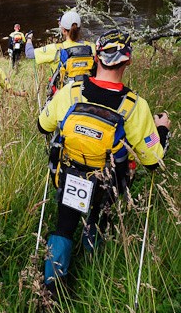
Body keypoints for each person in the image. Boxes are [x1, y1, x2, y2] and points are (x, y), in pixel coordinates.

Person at [36, 30, 169, 296]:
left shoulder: (71, 92)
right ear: (128, 61)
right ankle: (94, 260)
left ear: (96, 56)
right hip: (108, 184)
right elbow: (153, 161)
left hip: (70, 175)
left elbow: (43, 126)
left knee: (64, 224)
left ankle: (51, 286)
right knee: (98, 220)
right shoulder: (134, 107)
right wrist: (162, 129)